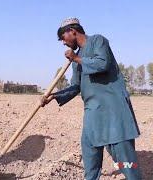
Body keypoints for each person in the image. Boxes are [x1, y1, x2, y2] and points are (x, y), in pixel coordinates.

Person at [41, 18, 142, 179]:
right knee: (90, 158)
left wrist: (76, 59)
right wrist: (54, 96)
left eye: (62, 37)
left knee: (126, 163)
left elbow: (102, 63)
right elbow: (76, 86)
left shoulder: (98, 41)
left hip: (113, 112)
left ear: (72, 31)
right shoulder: (76, 59)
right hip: (93, 114)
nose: (63, 43)